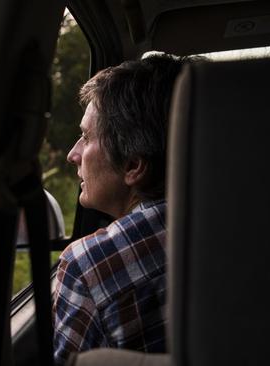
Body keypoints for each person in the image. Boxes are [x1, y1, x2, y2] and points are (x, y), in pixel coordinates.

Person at [52, 54, 190, 364]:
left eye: (86, 137)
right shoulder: (262, 226)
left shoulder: (87, 267)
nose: (73, 155)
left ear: (133, 165)